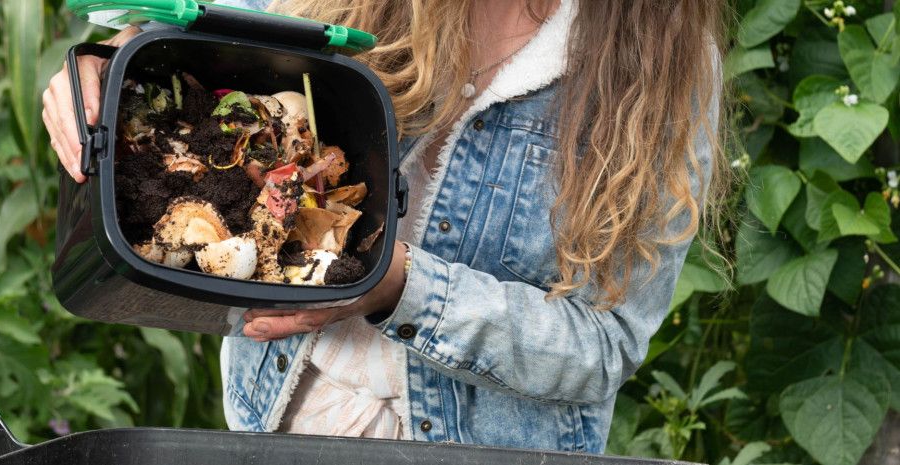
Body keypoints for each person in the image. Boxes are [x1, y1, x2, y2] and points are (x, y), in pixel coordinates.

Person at [43, 0, 725, 453]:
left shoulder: (658, 66)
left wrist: (399, 288)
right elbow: (217, 31)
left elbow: (602, 345)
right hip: (278, 427)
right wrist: (116, 60)